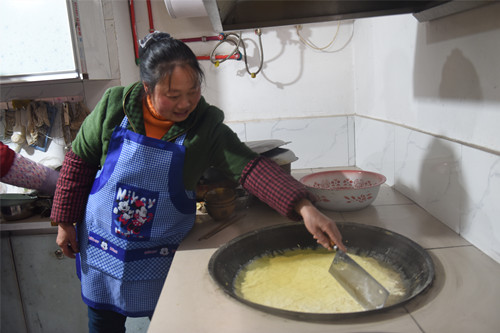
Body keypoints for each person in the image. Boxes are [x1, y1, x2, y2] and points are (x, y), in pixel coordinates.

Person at [50, 31, 345, 332]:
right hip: (103, 249)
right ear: (147, 88)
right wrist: (64, 222)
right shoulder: (115, 106)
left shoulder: (205, 126)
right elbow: (79, 162)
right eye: (173, 96)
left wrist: (305, 207)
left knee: (171, 323)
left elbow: (250, 167)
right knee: (102, 325)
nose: (185, 104)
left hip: (161, 259)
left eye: (193, 92)